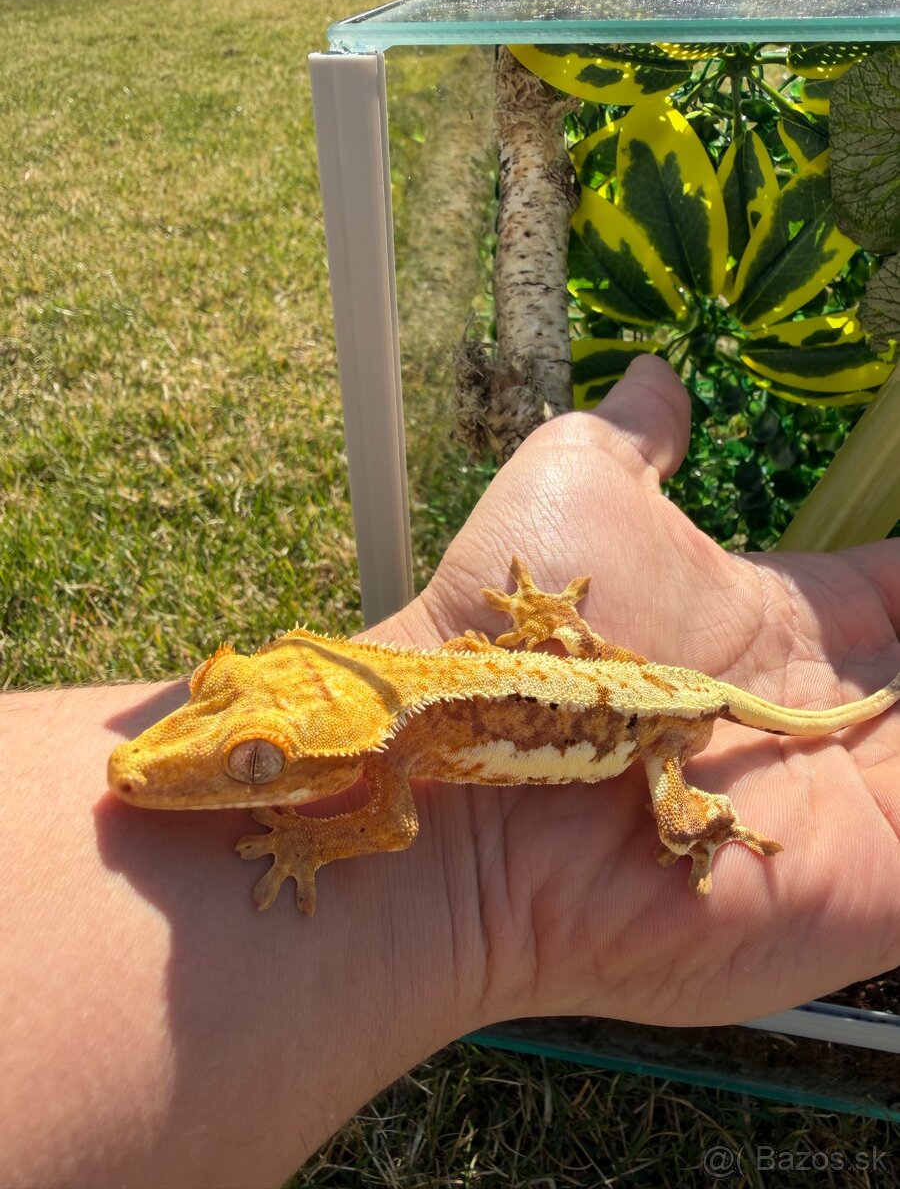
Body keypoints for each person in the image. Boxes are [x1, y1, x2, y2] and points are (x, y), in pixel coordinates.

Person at [2, 355, 898, 1189]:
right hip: (608, 680)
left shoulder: (395, 756)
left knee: (672, 822)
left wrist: (309, 840)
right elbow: (388, 812)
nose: (159, 757)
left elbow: (392, 826)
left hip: (654, 727)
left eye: (255, 764)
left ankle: (709, 820)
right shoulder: (394, 729)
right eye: (218, 694)